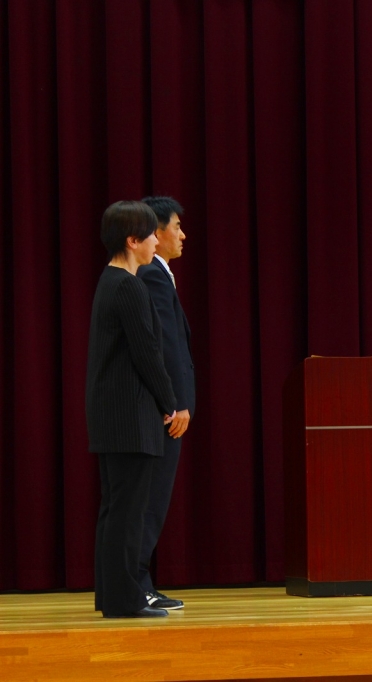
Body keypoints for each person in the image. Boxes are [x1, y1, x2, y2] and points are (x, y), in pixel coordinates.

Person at [87, 201, 177, 618]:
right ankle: (125, 601)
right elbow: (147, 353)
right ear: (132, 240)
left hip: (111, 414)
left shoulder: (110, 281)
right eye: (151, 234)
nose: (157, 241)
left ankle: (111, 597)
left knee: (114, 509)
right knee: (126, 513)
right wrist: (169, 402)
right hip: (131, 417)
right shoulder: (129, 286)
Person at [136, 196, 195, 611]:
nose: (182, 235)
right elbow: (165, 346)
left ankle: (138, 582)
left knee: (150, 500)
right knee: (150, 501)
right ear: (156, 231)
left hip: (162, 406)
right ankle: (138, 584)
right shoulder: (153, 274)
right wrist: (177, 404)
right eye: (176, 226)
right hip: (164, 410)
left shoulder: (159, 273)